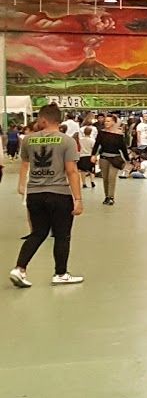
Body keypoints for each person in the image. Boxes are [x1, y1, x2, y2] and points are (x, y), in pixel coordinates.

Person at [9, 104, 85, 288]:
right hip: (59, 193)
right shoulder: (67, 141)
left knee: (38, 233)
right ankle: (60, 273)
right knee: (62, 235)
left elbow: (26, 164)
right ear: (58, 120)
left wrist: (22, 186)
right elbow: (72, 171)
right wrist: (78, 199)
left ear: (43, 120)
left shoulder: (28, 140)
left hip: (35, 193)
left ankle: (20, 268)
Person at [92, 115, 129, 206]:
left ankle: (111, 196)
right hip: (104, 157)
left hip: (115, 158)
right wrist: (93, 155)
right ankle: (107, 196)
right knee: (105, 178)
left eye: (108, 121)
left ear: (113, 122)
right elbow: (97, 145)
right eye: (105, 121)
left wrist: (127, 160)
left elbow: (123, 148)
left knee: (111, 177)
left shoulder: (119, 135)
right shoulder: (101, 133)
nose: (106, 123)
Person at [77, 116, 98, 191]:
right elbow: (94, 149)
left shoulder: (80, 140)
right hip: (90, 156)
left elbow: (78, 148)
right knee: (91, 170)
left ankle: (84, 183)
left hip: (82, 156)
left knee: (82, 171)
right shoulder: (92, 140)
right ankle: (92, 182)